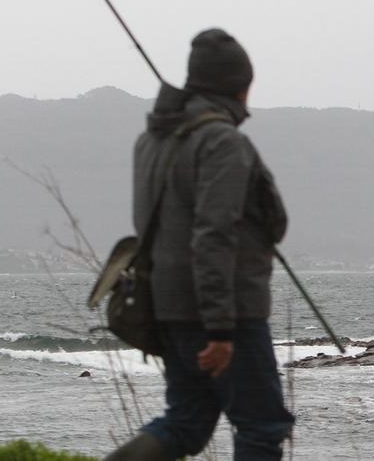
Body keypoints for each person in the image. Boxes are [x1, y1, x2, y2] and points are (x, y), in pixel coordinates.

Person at [105, 28, 293, 461]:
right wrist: (221, 329)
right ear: (238, 86)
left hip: (168, 308)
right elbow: (214, 235)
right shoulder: (222, 142)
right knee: (262, 426)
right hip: (226, 314)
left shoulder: (150, 140)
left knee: (186, 423)